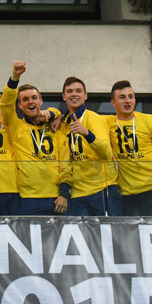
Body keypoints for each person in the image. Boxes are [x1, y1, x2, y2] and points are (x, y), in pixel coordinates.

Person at [0, 61, 71, 215]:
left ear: (41, 101)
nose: (30, 101)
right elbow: (5, 105)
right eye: (25, 99)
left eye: (34, 98)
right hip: (28, 199)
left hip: (57, 199)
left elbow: (65, 163)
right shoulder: (15, 128)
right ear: (19, 105)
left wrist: (64, 193)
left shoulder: (55, 127)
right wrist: (15, 77)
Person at [106, 80, 152, 216]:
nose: (128, 101)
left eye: (131, 97)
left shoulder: (151, 120)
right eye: (122, 97)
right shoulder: (106, 122)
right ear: (113, 103)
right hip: (128, 192)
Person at [57, 76, 117, 216]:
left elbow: (106, 153)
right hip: (77, 193)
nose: (74, 94)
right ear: (64, 96)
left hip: (102, 189)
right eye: (70, 91)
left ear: (85, 96)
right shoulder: (63, 124)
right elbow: (66, 160)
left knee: (108, 230)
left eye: (78, 91)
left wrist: (87, 134)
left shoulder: (95, 118)